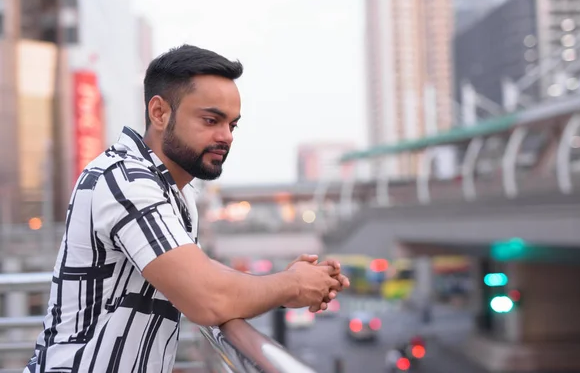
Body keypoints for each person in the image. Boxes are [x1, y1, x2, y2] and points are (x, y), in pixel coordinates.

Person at [25, 44, 350, 373]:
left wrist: (286, 284)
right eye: (211, 120)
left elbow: (198, 271)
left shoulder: (173, 190)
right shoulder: (125, 180)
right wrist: (292, 284)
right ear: (159, 113)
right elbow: (207, 297)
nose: (226, 137)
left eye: (232, 125)